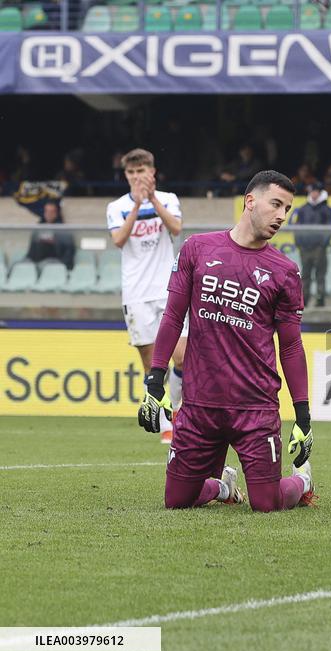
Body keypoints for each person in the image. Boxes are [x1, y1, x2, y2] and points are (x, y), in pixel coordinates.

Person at [137, 170, 316, 513]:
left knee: (266, 504)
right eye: (276, 204)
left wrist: (303, 417)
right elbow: (173, 317)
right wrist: (155, 381)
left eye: (287, 209)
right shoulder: (197, 249)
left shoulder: (285, 271)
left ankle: (303, 480)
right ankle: (223, 486)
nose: (281, 215)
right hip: (199, 404)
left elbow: (291, 347)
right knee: (177, 501)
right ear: (250, 201)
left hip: (255, 408)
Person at [106, 148, 186, 445]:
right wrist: (138, 204)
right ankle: (166, 425)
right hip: (136, 293)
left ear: (152, 172)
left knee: (183, 358)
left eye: (141, 171)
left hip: (169, 289)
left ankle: (177, 413)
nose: (136, 177)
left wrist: (152, 199)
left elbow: (176, 228)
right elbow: (118, 239)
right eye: (131, 172)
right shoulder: (117, 207)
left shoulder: (168, 199)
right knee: (152, 364)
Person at [290, 183, 331, 308]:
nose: (313, 194)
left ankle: (320, 299)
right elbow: (297, 228)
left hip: (318, 248)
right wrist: (300, 244)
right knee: (305, 275)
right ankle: (305, 299)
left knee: (320, 274)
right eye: (312, 191)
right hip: (305, 248)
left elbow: (330, 228)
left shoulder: (326, 209)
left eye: (315, 191)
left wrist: (322, 245)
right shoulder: (303, 209)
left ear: (319, 193)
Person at [27, 201, 75, 269]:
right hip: (37, 262)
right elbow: (31, 251)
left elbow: (68, 252)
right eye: (46, 211)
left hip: (56, 263)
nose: (48, 214)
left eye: (51, 212)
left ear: (56, 213)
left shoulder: (63, 230)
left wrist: (63, 265)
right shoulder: (38, 229)